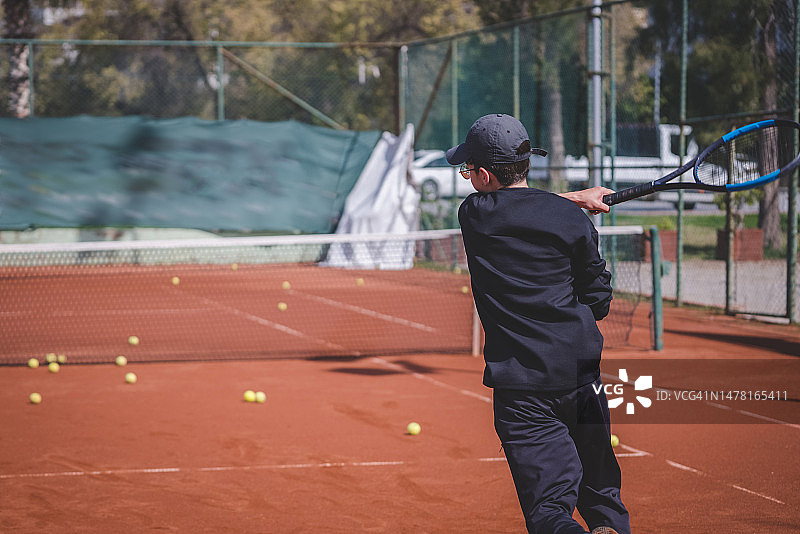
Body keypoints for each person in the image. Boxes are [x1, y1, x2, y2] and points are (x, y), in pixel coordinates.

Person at [447, 114, 630, 534]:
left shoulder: (473, 216)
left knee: (549, 510)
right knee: (603, 495)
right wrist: (575, 203)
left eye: (467, 169)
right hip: (582, 375)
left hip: (523, 391)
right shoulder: (571, 221)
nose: (466, 176)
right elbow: (598, 300)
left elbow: (514, 206)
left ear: (484, 174)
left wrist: (571, 198)